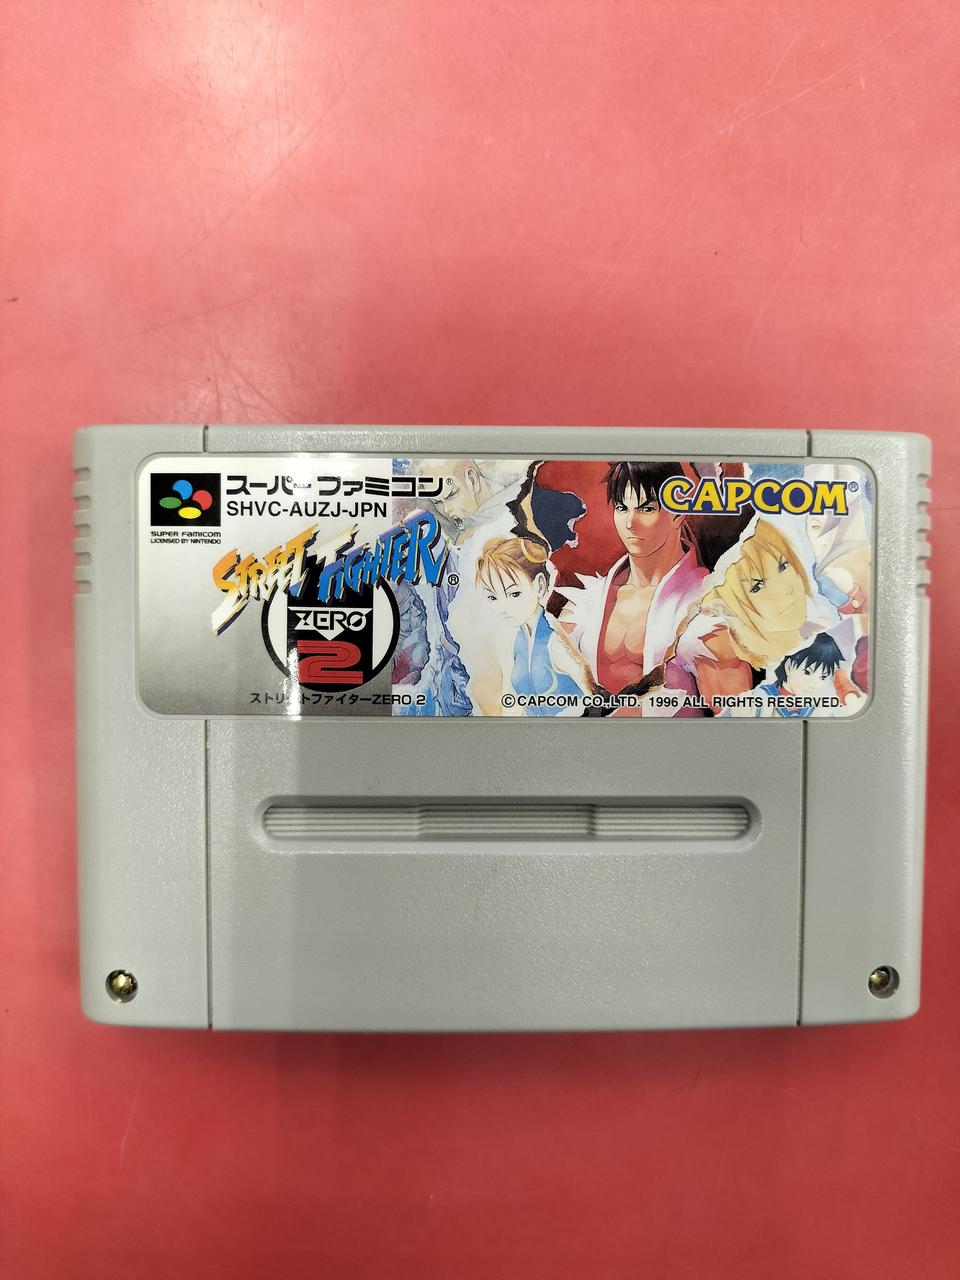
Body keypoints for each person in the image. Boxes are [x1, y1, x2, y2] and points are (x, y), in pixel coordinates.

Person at [557, 462, 708, 698]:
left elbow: (736, 711)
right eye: (621, 508)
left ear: (678, 513)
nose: (630, 523)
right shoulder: (586, 602)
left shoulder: (707, 602)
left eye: (646, 509)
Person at [475, 535, 594, 716]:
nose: (502, 608)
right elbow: (511, 702)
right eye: (493, 597)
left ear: (539, 585)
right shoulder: (512, 642)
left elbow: (595, 701)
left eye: (514, 594)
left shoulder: (557, 642)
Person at [751, 632, 862, 717]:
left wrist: (843, 684)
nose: (814, 684)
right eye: (807, 672)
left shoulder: (815, 704)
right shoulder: (763, 697)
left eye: (823, 677)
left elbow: (855, 716)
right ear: (789, 665)